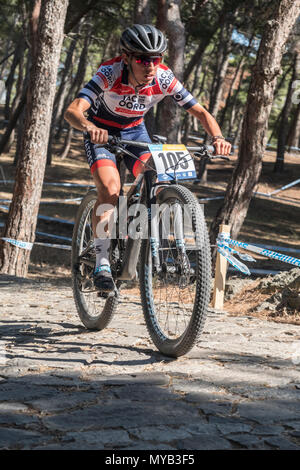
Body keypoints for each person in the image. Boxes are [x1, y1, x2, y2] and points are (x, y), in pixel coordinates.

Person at [64, 24, 231, 293]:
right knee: (110, 189)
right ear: (127, 58)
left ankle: (148, 233)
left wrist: (218, 138)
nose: (150, 65)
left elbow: (200, 112)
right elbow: (73, 110)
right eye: (143, 59)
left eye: (156, 59)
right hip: (101, 131)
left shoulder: (164, 78)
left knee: (160, 177)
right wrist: (89, 127)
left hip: (134, 130)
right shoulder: (110, 72)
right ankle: (102, 261)